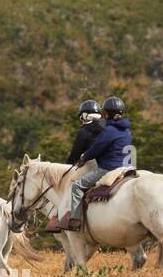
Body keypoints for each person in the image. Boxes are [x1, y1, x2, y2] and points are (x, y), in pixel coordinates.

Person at [55, 96, 132, 231]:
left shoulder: (108, 130)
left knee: (77, 186)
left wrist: (84, 157)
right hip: (126, 167)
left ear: (106, 113)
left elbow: (96, 149)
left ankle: (76, 220)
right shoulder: (127, 130)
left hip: (109, 168)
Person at [66, 99, 105, 165]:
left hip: (92, 167)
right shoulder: (108, 128)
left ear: (84, 116)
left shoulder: (84, 131)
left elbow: (74, 155)